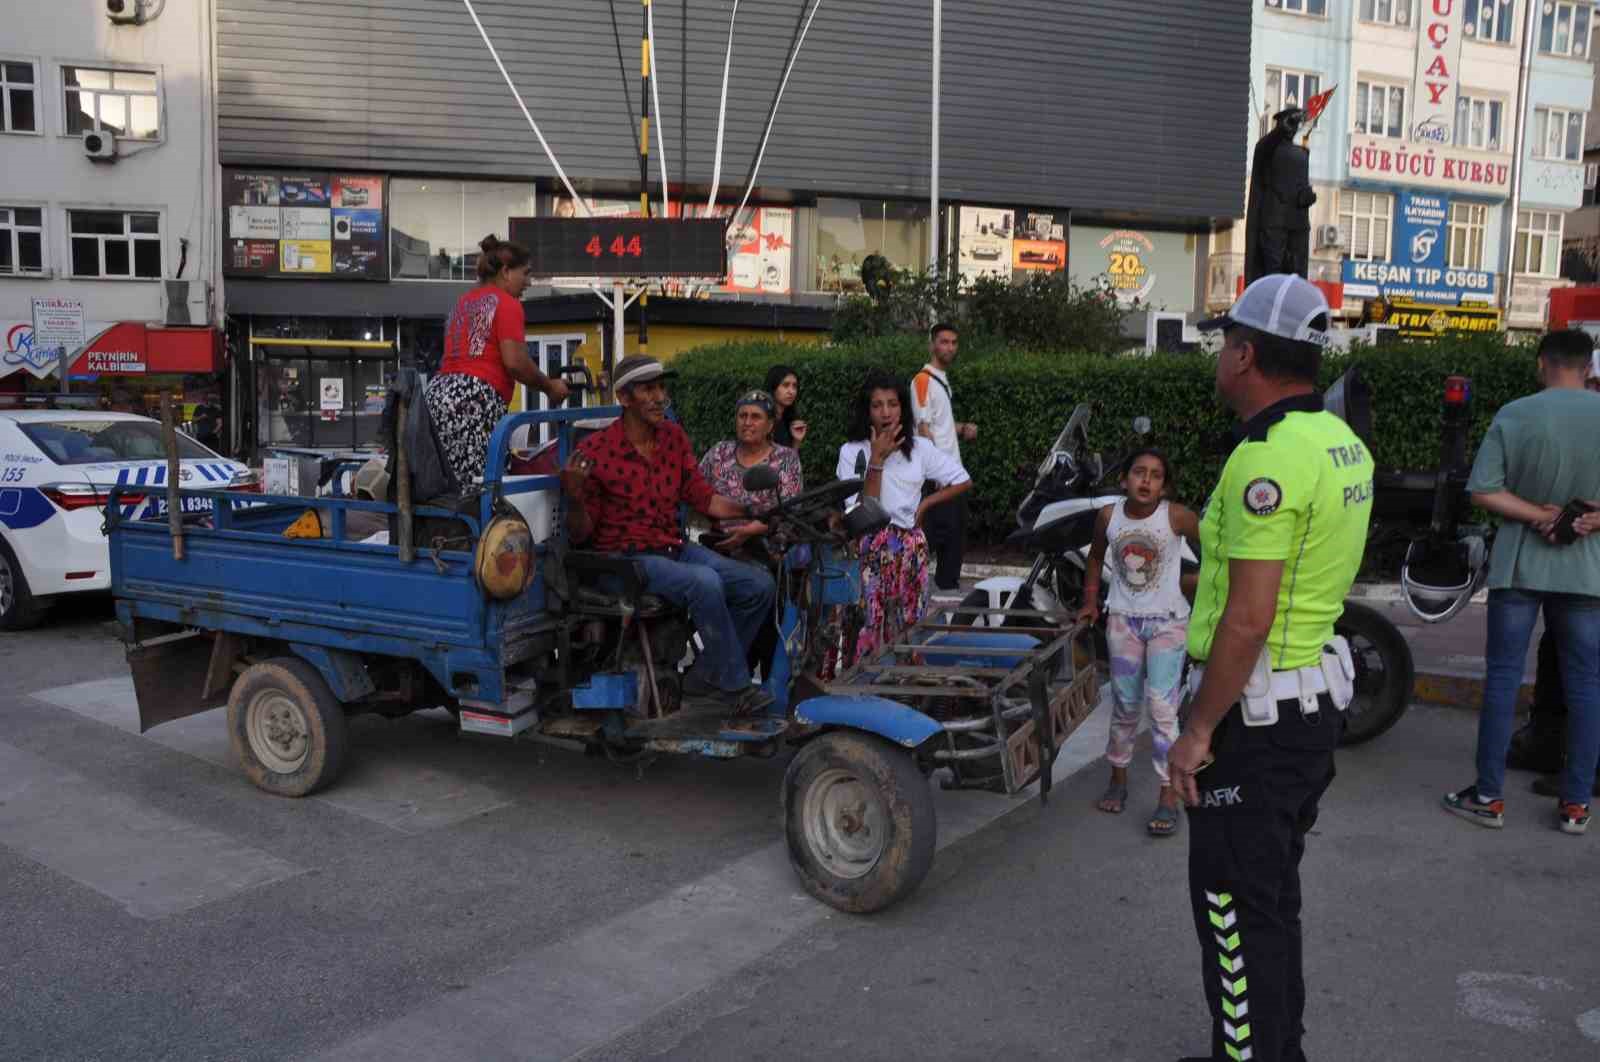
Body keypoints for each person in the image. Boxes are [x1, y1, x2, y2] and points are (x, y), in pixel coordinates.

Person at [1171, 274, 1372, 1062]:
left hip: (1255, 722)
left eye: (1225, 341)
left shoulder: (1268, 458)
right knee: (1271, 902)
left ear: (1247, 353)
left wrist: (1196, 730)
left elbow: (1250, 617)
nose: (1220, 354)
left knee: (1230, 907)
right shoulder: (1339, 442)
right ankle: (1272, 1050)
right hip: (1306, 707)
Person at [1442, 329, 1600, 836]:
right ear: (1588, 366)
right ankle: (1576, 804)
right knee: (1586, 687)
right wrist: (1589, 520)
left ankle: (1488, 797)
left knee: (1504, 678)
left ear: (1541, 364)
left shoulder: (1516, 413)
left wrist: (1537, 515)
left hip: (1518, 567)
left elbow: (1483, 490)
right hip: (1586, 571)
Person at [561, 355, 776, 715]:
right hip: (625, 562)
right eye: (649, 389)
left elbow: (704, 497)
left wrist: (752, 510)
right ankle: (737, 687)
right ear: (624, 397)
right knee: (705, 582)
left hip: (671, 548)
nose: (660, 396)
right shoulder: (594, 452)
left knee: (759, 586)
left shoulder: (673, 438)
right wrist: (574, 495)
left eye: (662, 387)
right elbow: (580, 534)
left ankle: (707, 675)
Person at [1078, 448, 1200, 837]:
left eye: (1156, 475)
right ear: (1124, 479)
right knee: (1126, 704)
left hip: (1168, 624)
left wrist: (1198, 587)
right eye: (1139, 472)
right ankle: (1118, 779)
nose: (1146, 481)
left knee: (1163, 709)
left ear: (1165, 485)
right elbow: (1095, 558)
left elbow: (1219, 552)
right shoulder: (1108, 517)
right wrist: (1090, 601)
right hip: (1123, 622)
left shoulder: (1177, 517)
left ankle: (1169, 795)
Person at [827, 370, 971, 676]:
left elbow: (961, 480)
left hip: (909, 551)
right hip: (868, 552)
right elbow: (863, 513)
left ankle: (904, 687)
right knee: (867, 624)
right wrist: (877, 459)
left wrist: (925, 505)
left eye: (892, 404)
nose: (885, 412)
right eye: (877, 405)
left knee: (908, 626)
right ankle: (864, 685)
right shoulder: (852, 451)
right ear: (867, 411)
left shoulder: (920, 449)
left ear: (902, 409)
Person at [426, 234, 569, 489]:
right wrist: (550, 386)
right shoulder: (508, 304)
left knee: (452, 486)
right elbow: (515, 362)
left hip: (437, 396)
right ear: (506, 272)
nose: (528, 282)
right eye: (525, 273)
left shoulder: (463, 303)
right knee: (485, 488)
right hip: (474, 401)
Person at [698, 388, 804, 677]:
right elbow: (695, 491)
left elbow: (791, 511)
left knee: (771, 608)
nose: (747, 422)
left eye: (756, 417)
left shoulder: (785, 460)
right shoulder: (719, 454)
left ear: (770, 425)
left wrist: (752, 530)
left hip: (768, 548)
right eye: (742, 415)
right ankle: (720, 673)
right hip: (721, 547)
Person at [912, 322, 978, 596]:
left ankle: (942, 593)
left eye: (953, 342)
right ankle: (930, 595)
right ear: (932, 345)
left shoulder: (940, 380)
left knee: (953, 538)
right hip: (942, 478)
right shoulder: (923, 380)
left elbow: (938, 424)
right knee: (940, 538)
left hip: (951, 474)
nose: (949, 347)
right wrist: (938, 474)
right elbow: (922, 428)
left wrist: (961, 428)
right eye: (943, 342)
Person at [763, 364, 808, 448]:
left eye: (794, 386)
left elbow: (791, 459)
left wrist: (797, 441)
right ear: (773, 387)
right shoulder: (762, 419)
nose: (791, 391)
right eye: (785, 385)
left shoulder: (789, 419)